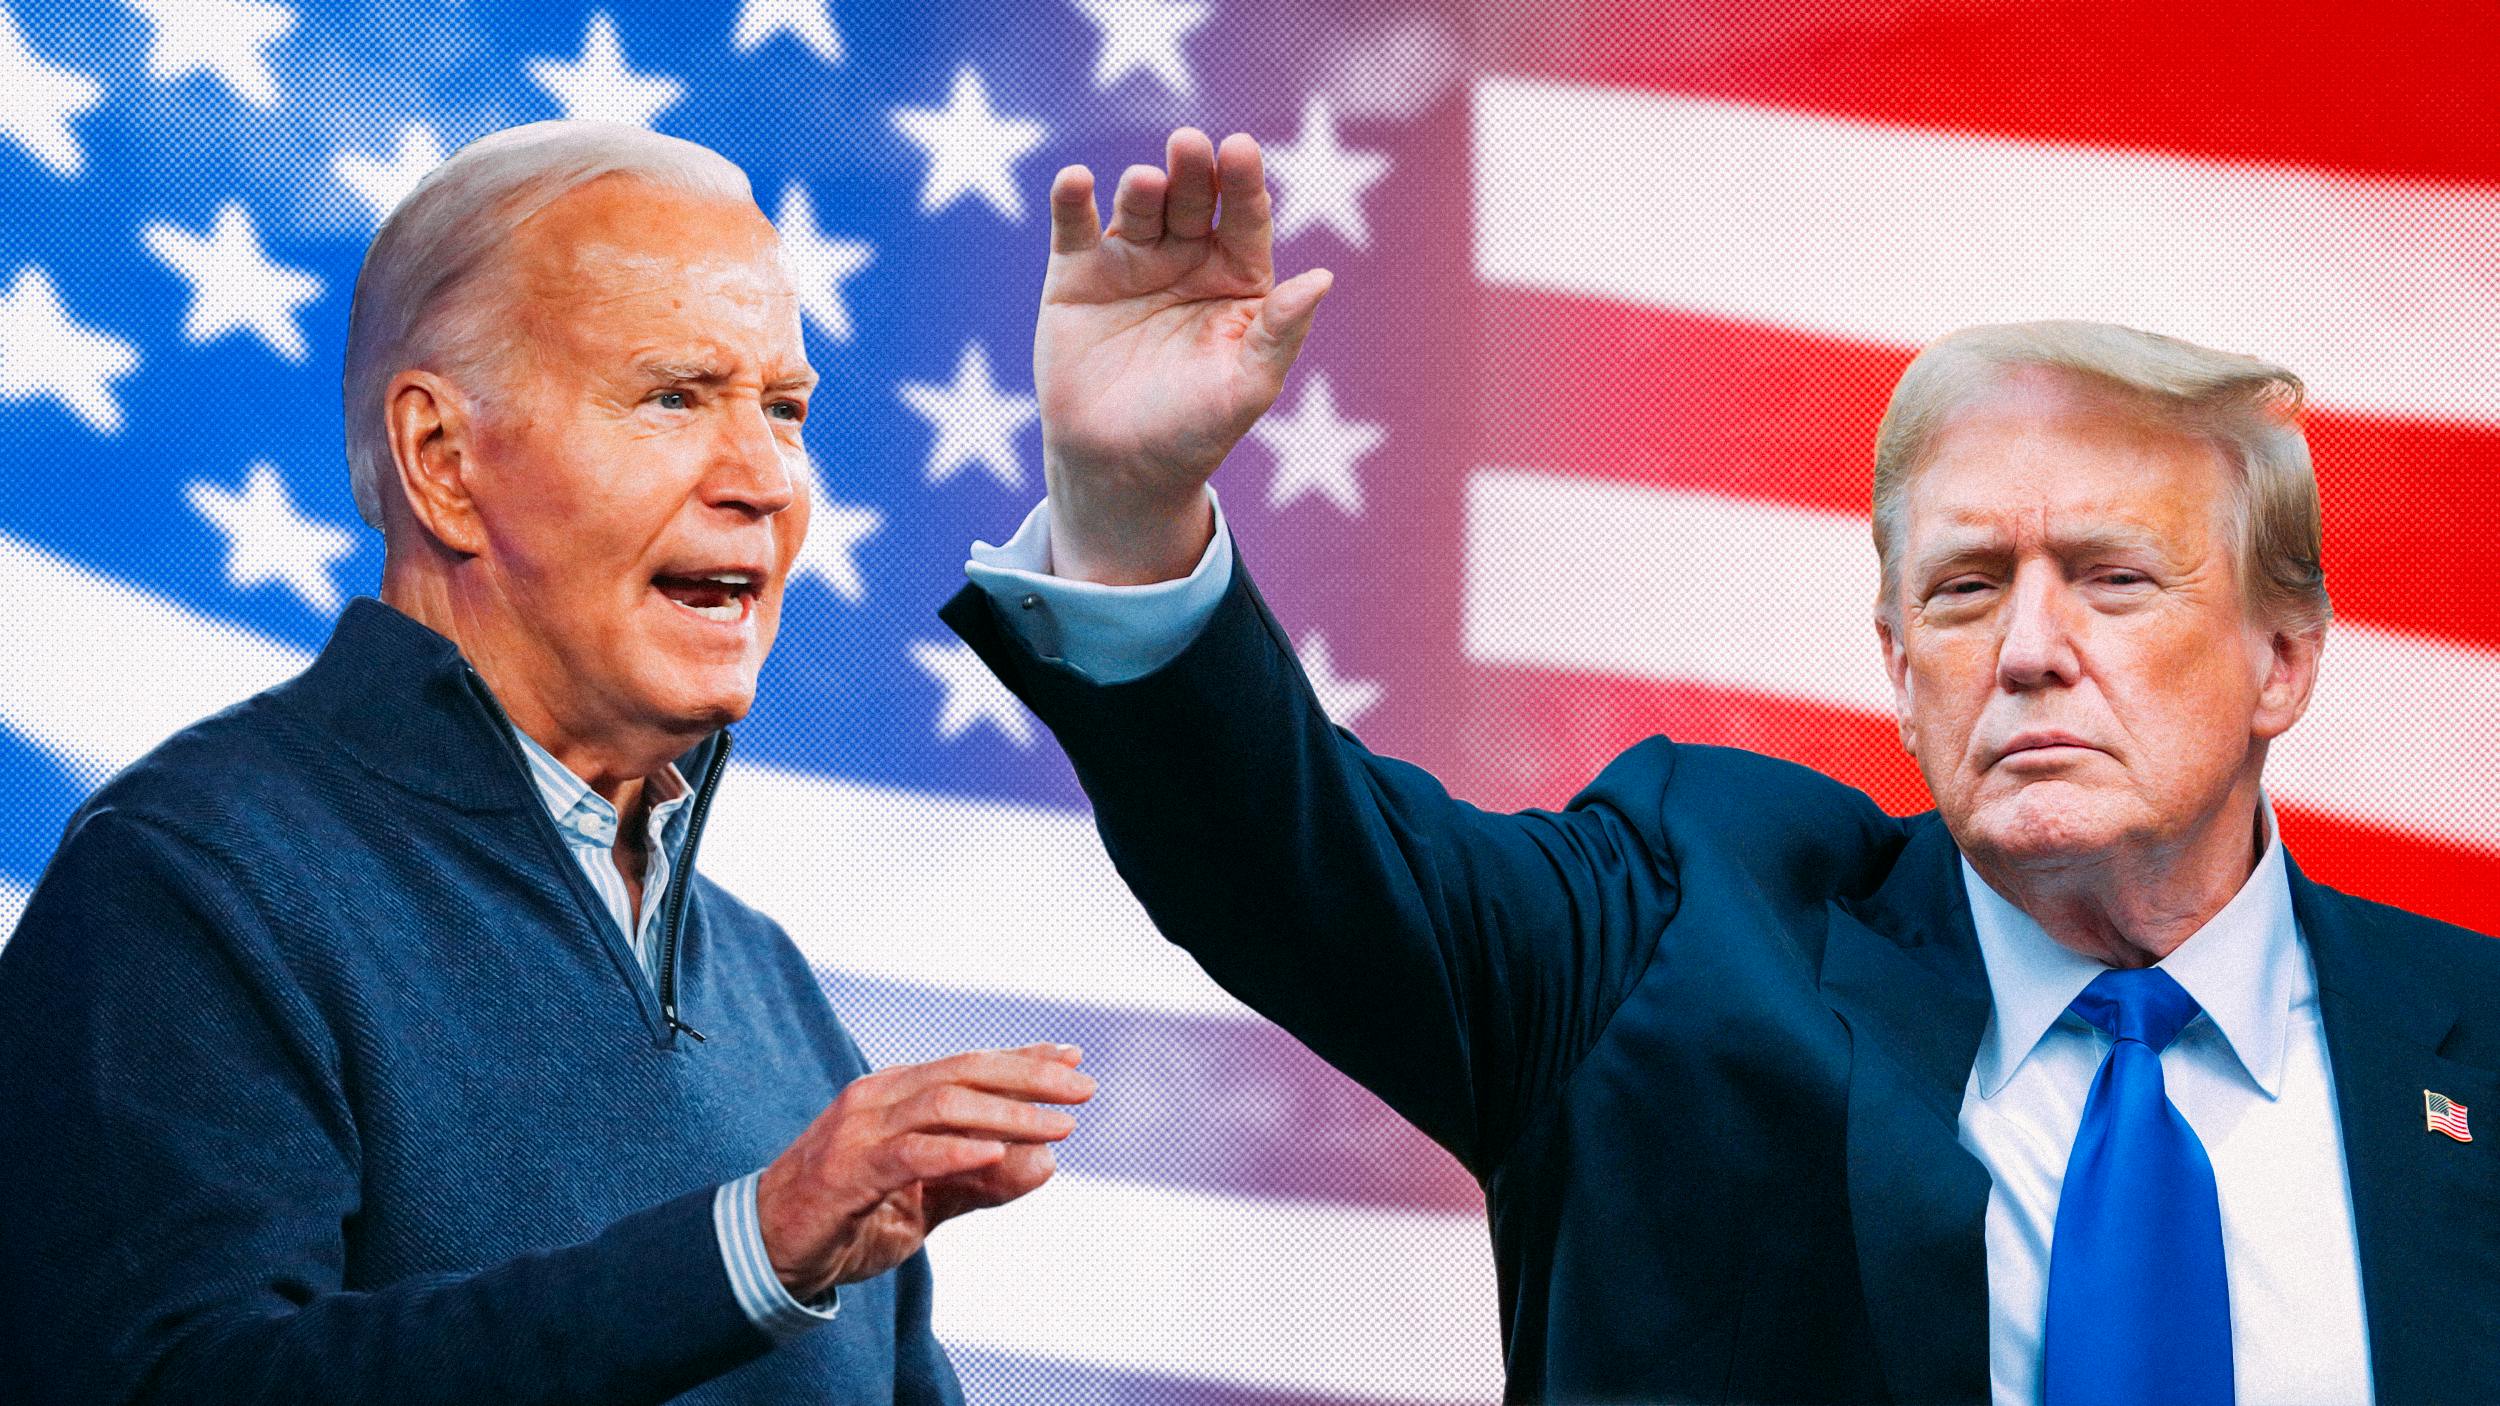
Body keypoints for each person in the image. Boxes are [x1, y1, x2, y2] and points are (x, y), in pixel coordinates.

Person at [938, 128, 2500, 1404]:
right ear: (1899, 665)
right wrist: (1128, 505)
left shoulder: (2472, 1042)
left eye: (2112, 577)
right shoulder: (1688, 928)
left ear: (2283, 661)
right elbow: (1307, 869)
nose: (2028, 647)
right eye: (1964, 588)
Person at [0, 122, 1096, 1405]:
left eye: (785, 408)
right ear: (443, 464)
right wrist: (742, 1250)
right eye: (673, 395)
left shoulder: (773, 993)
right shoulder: (190, 887)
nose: (764, 476)